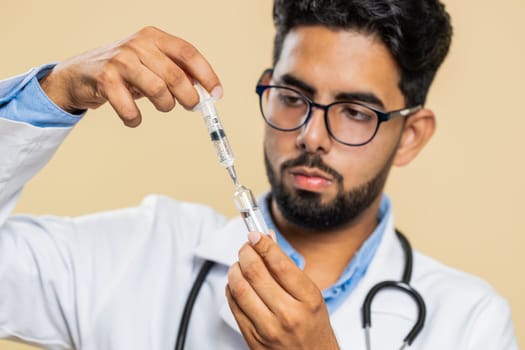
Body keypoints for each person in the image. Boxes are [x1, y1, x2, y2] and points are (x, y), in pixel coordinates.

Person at [0, 0, 519, 349]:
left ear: (410, 135)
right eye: (293, 98)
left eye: (356, 112)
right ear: (268, 87)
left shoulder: (469, 322)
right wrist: (54, 92)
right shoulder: (142, 251)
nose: (312, 136)